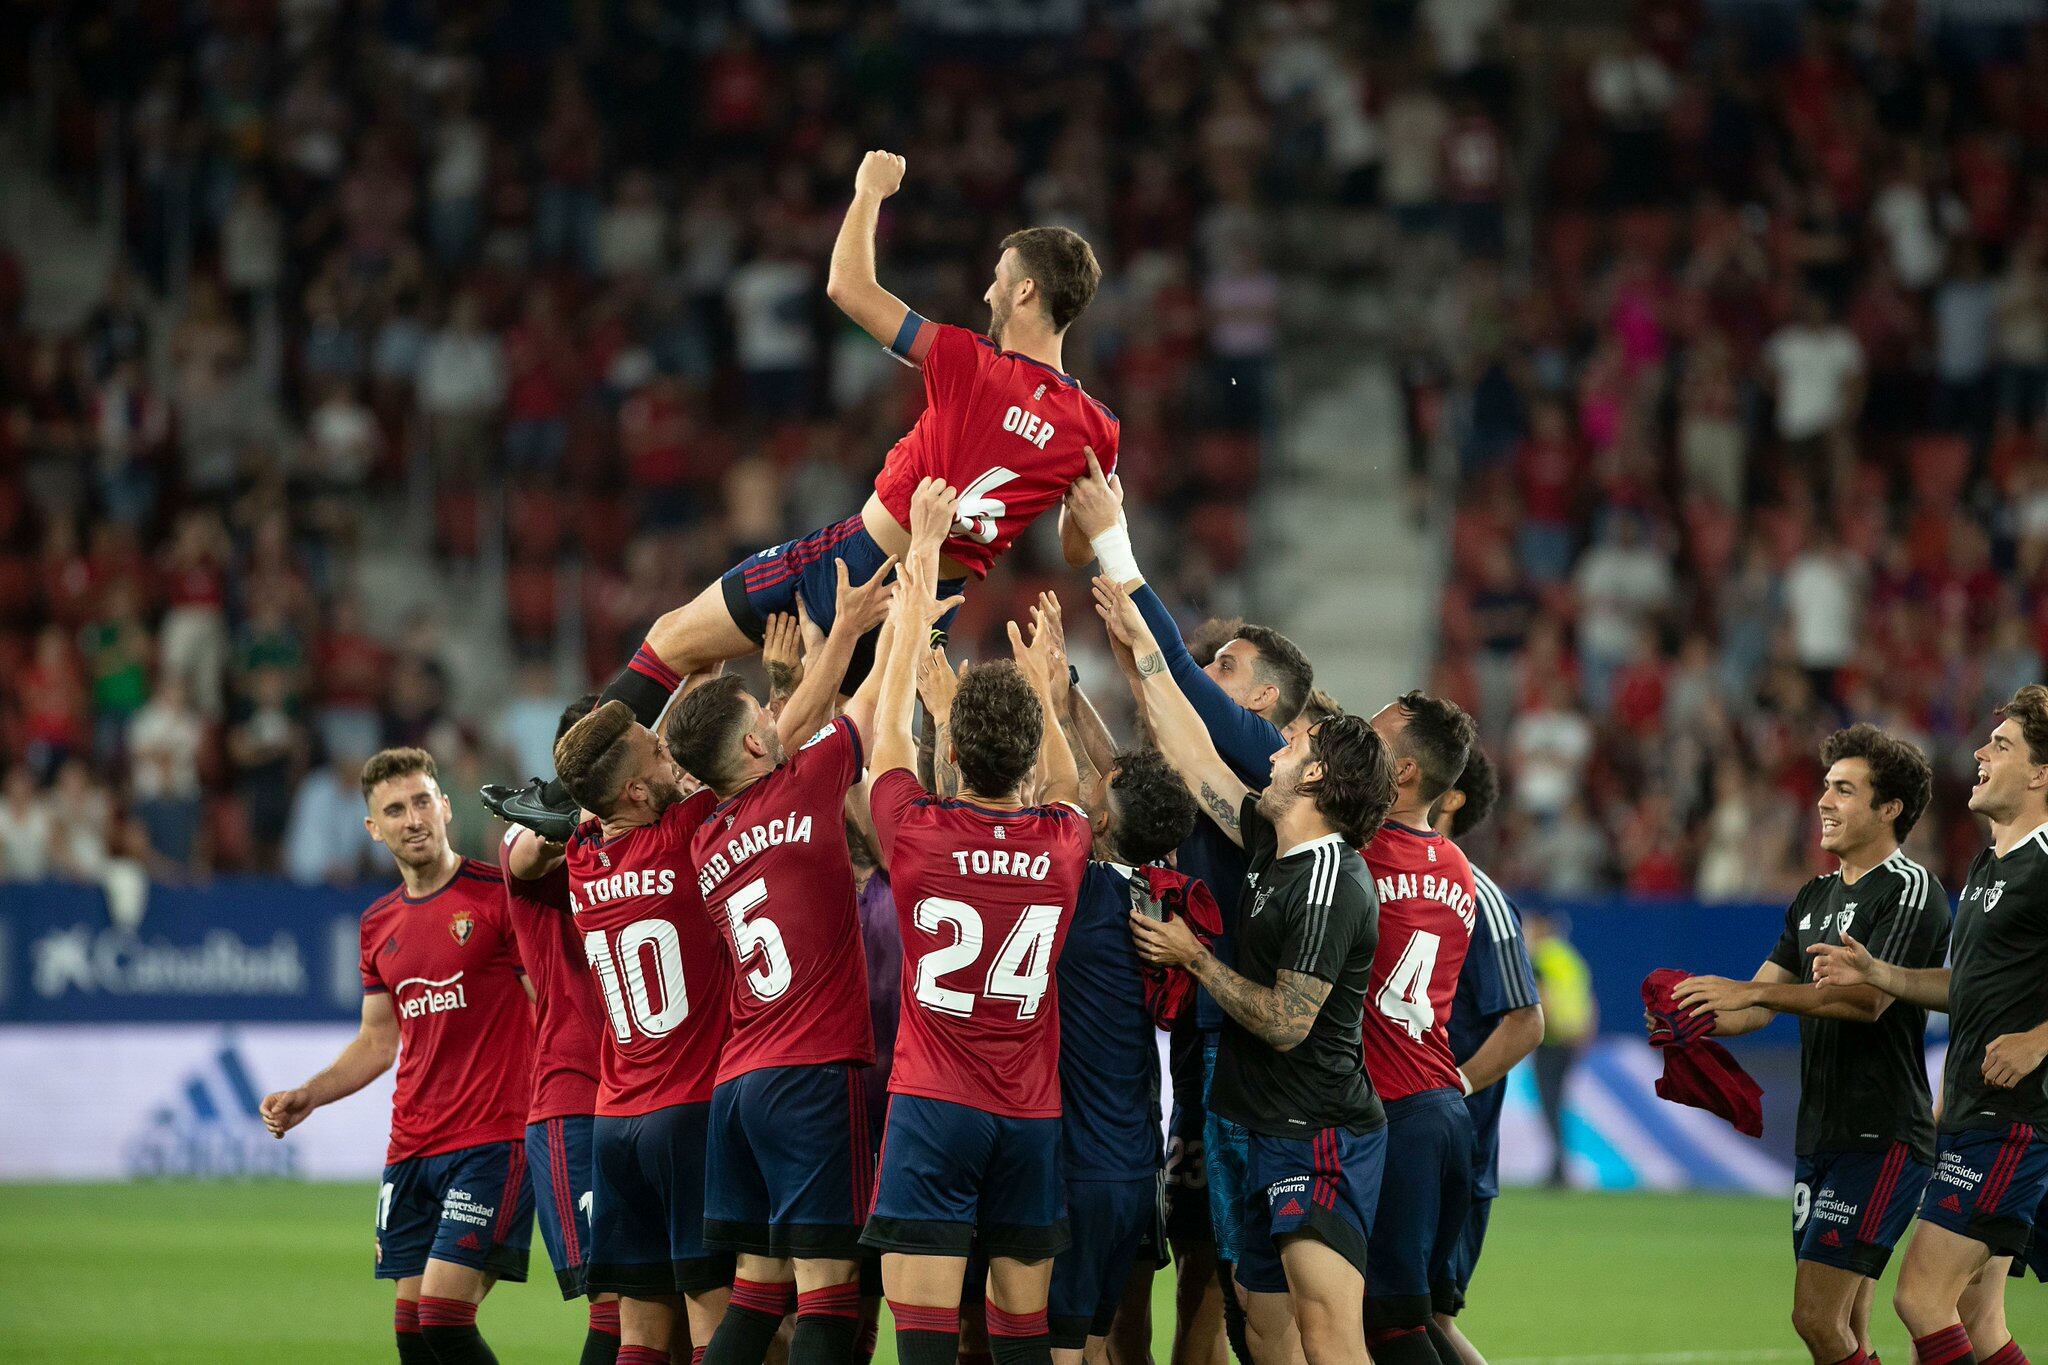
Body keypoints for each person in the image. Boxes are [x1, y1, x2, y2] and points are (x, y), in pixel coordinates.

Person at [487, 150, 1116, 841]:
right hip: (924, 609)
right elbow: (1075, 542)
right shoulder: (1094, 427)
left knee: (672, 642)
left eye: (999, 283)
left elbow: (847, 286)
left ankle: (562, 800)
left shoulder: (969, 360)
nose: (988, 294)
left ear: (1027, 293)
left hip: (846, 562)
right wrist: (1095, 518)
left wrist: (869, 189)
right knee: (840, 783)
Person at [1099, 574, 1396, 1365]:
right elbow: (1192, 750)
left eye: (1297, 744)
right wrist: (1139, 658)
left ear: (1318, 779)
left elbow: (1289, 1022)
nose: (1284, 742)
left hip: (1312, 1132)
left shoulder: (1333, 881)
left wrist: (1196, 959)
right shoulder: (1268, 839)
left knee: (1329, 1336)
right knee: (1262, 1333)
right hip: (1243, 1119)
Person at [663, 487, 928, 1365]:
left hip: (737, 1086)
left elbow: (800, 716)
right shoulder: (805, 784)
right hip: (814, 1075)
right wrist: (906, 583)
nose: (775, 724)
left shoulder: (704, 837)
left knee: (755, 1294)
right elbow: (866, 705)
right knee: (827, 1300)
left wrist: (838, 636)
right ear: (750, 748)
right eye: (761, 725)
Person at [1061, 451, 1314, 1365]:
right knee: (1169, 1249)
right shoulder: (1223, 763)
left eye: (1230, 664)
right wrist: (1086, 688)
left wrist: (1115, 544)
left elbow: (1178, 683)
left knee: (1222, 1271)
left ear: (1264, 701)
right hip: (1194, 1046)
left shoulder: (1259, 753)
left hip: (1243, 1054)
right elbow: (1140, 769)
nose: (1211, 667)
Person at [860, 511, 1093, 1365]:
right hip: (1030, 1115)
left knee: (923, 1344)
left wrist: (914, 610)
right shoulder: (1063, 845)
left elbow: (883, 740)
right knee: (1022, 1342)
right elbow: (1066, 783)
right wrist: (1050, 694)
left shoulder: (916, 835)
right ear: (1030, 751)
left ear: (950, 743)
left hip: (932, 1109)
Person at [1673, 725, 1947, 1365]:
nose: (1823, 800)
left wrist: (1752, 995)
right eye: (1826, 786)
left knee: (1815, 1318)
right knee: (1845, 1324)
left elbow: (1869, 1001)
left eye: (1844, 790)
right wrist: (1697, 1016)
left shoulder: (1908, 889)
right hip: (1821, 1134)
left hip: (1883, 1134)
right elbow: (1759, 1003)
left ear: (1889, 810)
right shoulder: (1814, 896)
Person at [260, 747, 536, 1365]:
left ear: (444, 806)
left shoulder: (500, 896)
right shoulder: (377, 924)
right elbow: (379, 1040)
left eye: (420, 802)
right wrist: (309, 1094)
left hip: (494, 1139)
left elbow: (546, 1005)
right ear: (373, 828)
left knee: (443, 1317)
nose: (412, 819)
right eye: (394, 810)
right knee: (412, 1336)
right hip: (411, 1146)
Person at [1812, 687, 2048, 1365]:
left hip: (2017, 1117)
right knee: (1977, 1315)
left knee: (1920, 1296)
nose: (1979, 752)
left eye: (2001, 745)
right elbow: (1967, 988)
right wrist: (1883, 974)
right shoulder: (1986, 866)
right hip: (1976, 1111)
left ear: (2040, 773)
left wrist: (2038, 1038)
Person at [553, 702, 737, 1365]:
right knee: (715, 1324)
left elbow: (588, 789)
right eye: (657, 754)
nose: (670, 755)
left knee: (639, 1335)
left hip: (615, 1123)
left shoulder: (580, 858)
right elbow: (736, 755)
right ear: (633, 790)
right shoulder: (682, 830)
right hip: (687, 1114)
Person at [1356, 691, 1482, 1365]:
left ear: (1403, 773)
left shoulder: (1364, 850)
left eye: (1372, 741)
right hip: (1446, 1109)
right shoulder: (1457, 866)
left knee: (1393, 1329)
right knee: (1423, 1319)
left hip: (1398, 1113)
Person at [503, 694, 623, 1363]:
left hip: (655, 1098)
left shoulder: (647, 840)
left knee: (660, 1304)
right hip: (573, 1099)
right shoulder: (540, 840)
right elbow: (523, 851)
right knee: (612, 1307)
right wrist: (575, 809)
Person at [1430, 748, 1544, 1365]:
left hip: (1454, 1153)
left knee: (1422, 1319)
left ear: (1451, 800)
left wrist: (1449, 1088)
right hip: (1394, 1145)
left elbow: (1527, 1023)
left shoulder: (1481, 897)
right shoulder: (1381, 876)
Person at [1526, 914, 1595, 1186]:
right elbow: (1588, 998)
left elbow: (1543, 1000)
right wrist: (1583, 1034)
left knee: (1549, 1104)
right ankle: (1560, 1165)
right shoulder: (1570, 959)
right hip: (1571, 1040)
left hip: (1550, 1041)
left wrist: (1543, 1030)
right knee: (1558, 1104)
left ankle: (1558, 1168)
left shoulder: (1540, 960)